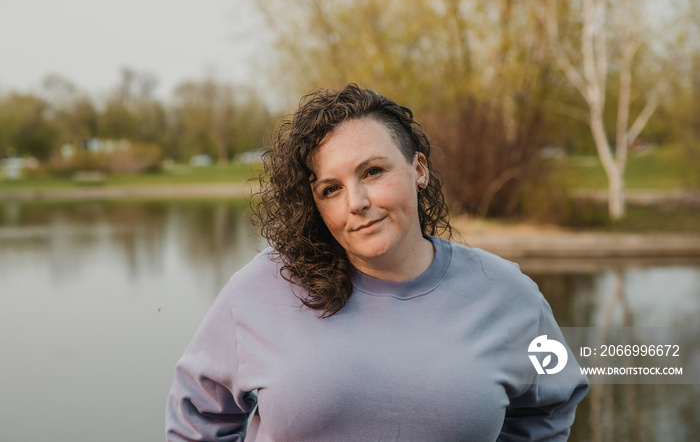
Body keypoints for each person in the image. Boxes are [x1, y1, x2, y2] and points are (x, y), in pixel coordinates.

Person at [165, 84, 589, 441]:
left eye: (372, 172)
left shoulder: (508, 295)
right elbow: (196, 418)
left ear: (418, 169)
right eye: (331, 189)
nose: (357, 204)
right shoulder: (261, 290)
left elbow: (550, 403)